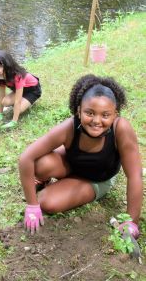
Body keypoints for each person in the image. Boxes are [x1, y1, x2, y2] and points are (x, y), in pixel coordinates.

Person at [19, 74, 143, 235]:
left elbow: (135, 176)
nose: (96, 120)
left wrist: (132, 221)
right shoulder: (69, 127)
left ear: (115, 114)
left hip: (98, 178)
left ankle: (71, 185)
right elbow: (26, 157)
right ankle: (45, 180)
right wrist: (31, 205)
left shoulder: (121, 129)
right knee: (40, 165)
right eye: (90, 113)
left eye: (105, 115)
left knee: (47, 202)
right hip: (73, 164)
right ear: (78, 110)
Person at [0, 50, 42, 129]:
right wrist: (0, 114)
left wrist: (14, 121)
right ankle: (23, 102)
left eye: (1, 66)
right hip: (20, 90)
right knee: (4, 102)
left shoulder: (17, 76)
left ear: (8, 64)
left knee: (17, 110)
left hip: (32, 91)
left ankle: (28, 102)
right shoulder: (0, 77)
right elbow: (1, 95)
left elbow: (18, 101)